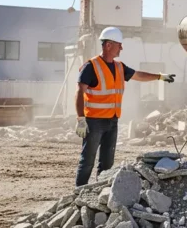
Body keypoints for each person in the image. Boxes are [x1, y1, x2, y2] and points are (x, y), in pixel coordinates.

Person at [74, 26, 176, 187]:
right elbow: (80, 92)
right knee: (87, 160)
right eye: (119, 44)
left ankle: (101, 192)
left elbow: (138, 75)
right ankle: (78, 194)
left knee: (107, 162)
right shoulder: (91, 66)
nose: (121, 47)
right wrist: (80, 119)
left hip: (112, 121)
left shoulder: (119, 67)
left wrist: (160, 76)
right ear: (108, 45)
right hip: (94, 122)